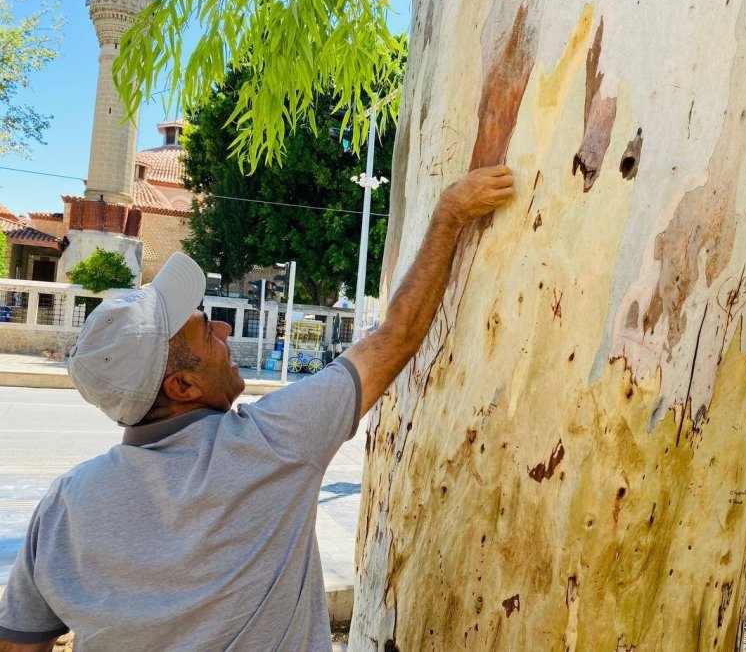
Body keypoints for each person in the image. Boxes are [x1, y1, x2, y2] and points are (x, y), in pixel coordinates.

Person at [0, 165, 515, 652]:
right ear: (181, 385)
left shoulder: (66, 504)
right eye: (207, 331)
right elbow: (395, 338)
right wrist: (449, 216)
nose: (224, 331)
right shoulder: (271, 443)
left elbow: (20, 640)